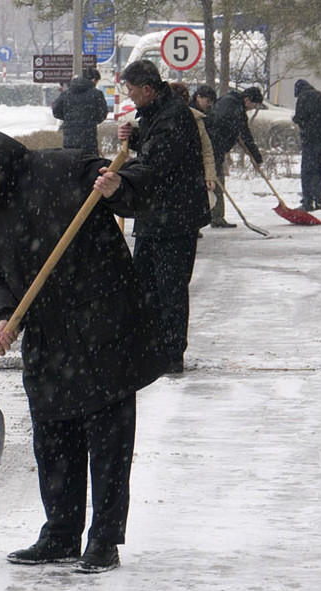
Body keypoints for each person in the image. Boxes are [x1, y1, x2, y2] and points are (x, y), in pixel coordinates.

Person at [0, 120, 168, 573]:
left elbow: (142, 187)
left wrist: (117, 185)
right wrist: (3, 315)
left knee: (108, 441)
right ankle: (61, 533)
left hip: (104, 324)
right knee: (53, 439)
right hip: (47, 336)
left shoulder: (64, 167)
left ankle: (103, 539)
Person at [113, 60, 212, 375]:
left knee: (169, 289)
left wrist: (117, 177)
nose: (129, 98)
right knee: (145, 287)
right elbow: (154, 149)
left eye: (131, 91)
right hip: (155, 216)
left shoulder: (175, 116)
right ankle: (151, 349)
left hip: (175, 219)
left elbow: (157, 164)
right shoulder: (159, 112)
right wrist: (137, 137)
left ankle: (171, 355)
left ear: (146, 89)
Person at [204, 86, 264, 228]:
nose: (252, 108)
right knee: (216, 182)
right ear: (247, 100)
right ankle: (216, 217)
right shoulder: (237, 109)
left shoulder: (227, 100)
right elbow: (245, 134)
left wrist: (233, 132)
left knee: (211, 181)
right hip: (213, 148)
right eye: (253, 104)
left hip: (208, 145)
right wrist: (256, 156)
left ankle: (210, 216)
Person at [170, 82, 219, 220]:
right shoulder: (159, 119)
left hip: (190, 174)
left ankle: (191, 226)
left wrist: (209, 175)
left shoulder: (197, 118)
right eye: (207, 101)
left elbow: (206, 149)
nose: (208, 105)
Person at [292, 79, 321, 211]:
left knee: (307, 170)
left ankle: (308, 201)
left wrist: (295, 119)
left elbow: (300, 117)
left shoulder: (303, 97)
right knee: (320, 168)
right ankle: (319, 200)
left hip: (311, 138)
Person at [51, 67, 109, 155]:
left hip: (69, 142)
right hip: (89, 142)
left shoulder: (66, 94)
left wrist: (69, 118)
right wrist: (91, 120)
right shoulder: (97, 94)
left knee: (71, 166)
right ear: (94, 80)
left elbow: (56, 111)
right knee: (89, 166)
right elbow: (102, 114)